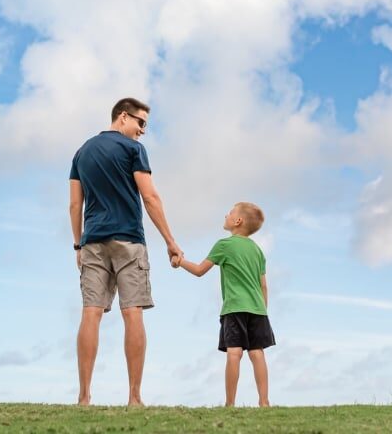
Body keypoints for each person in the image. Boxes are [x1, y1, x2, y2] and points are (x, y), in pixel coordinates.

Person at [69, 97, 183, 407]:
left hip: (92, 242)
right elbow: (151, 197)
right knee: (132, 313)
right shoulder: (133, 150)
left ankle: (83, 398)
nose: (143, 130)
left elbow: (74, 204)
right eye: (141, 122)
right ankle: (134, 398)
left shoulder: (82, 152)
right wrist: (171, 242)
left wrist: (78, 244)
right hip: (129, 241)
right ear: (123, 117)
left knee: (91, 313)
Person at [171, 202, 275, 407]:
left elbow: (200, 270)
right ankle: (264, 402)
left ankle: (230, 404)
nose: (226, 214)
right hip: (258, 309)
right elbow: (264, 285)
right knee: (257, 353)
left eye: (230, 212)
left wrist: (180, 262)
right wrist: (262, 309)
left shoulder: (224, 245)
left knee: (234, 353)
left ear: (238, 221)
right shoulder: (258, 251)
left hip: (234, 308)